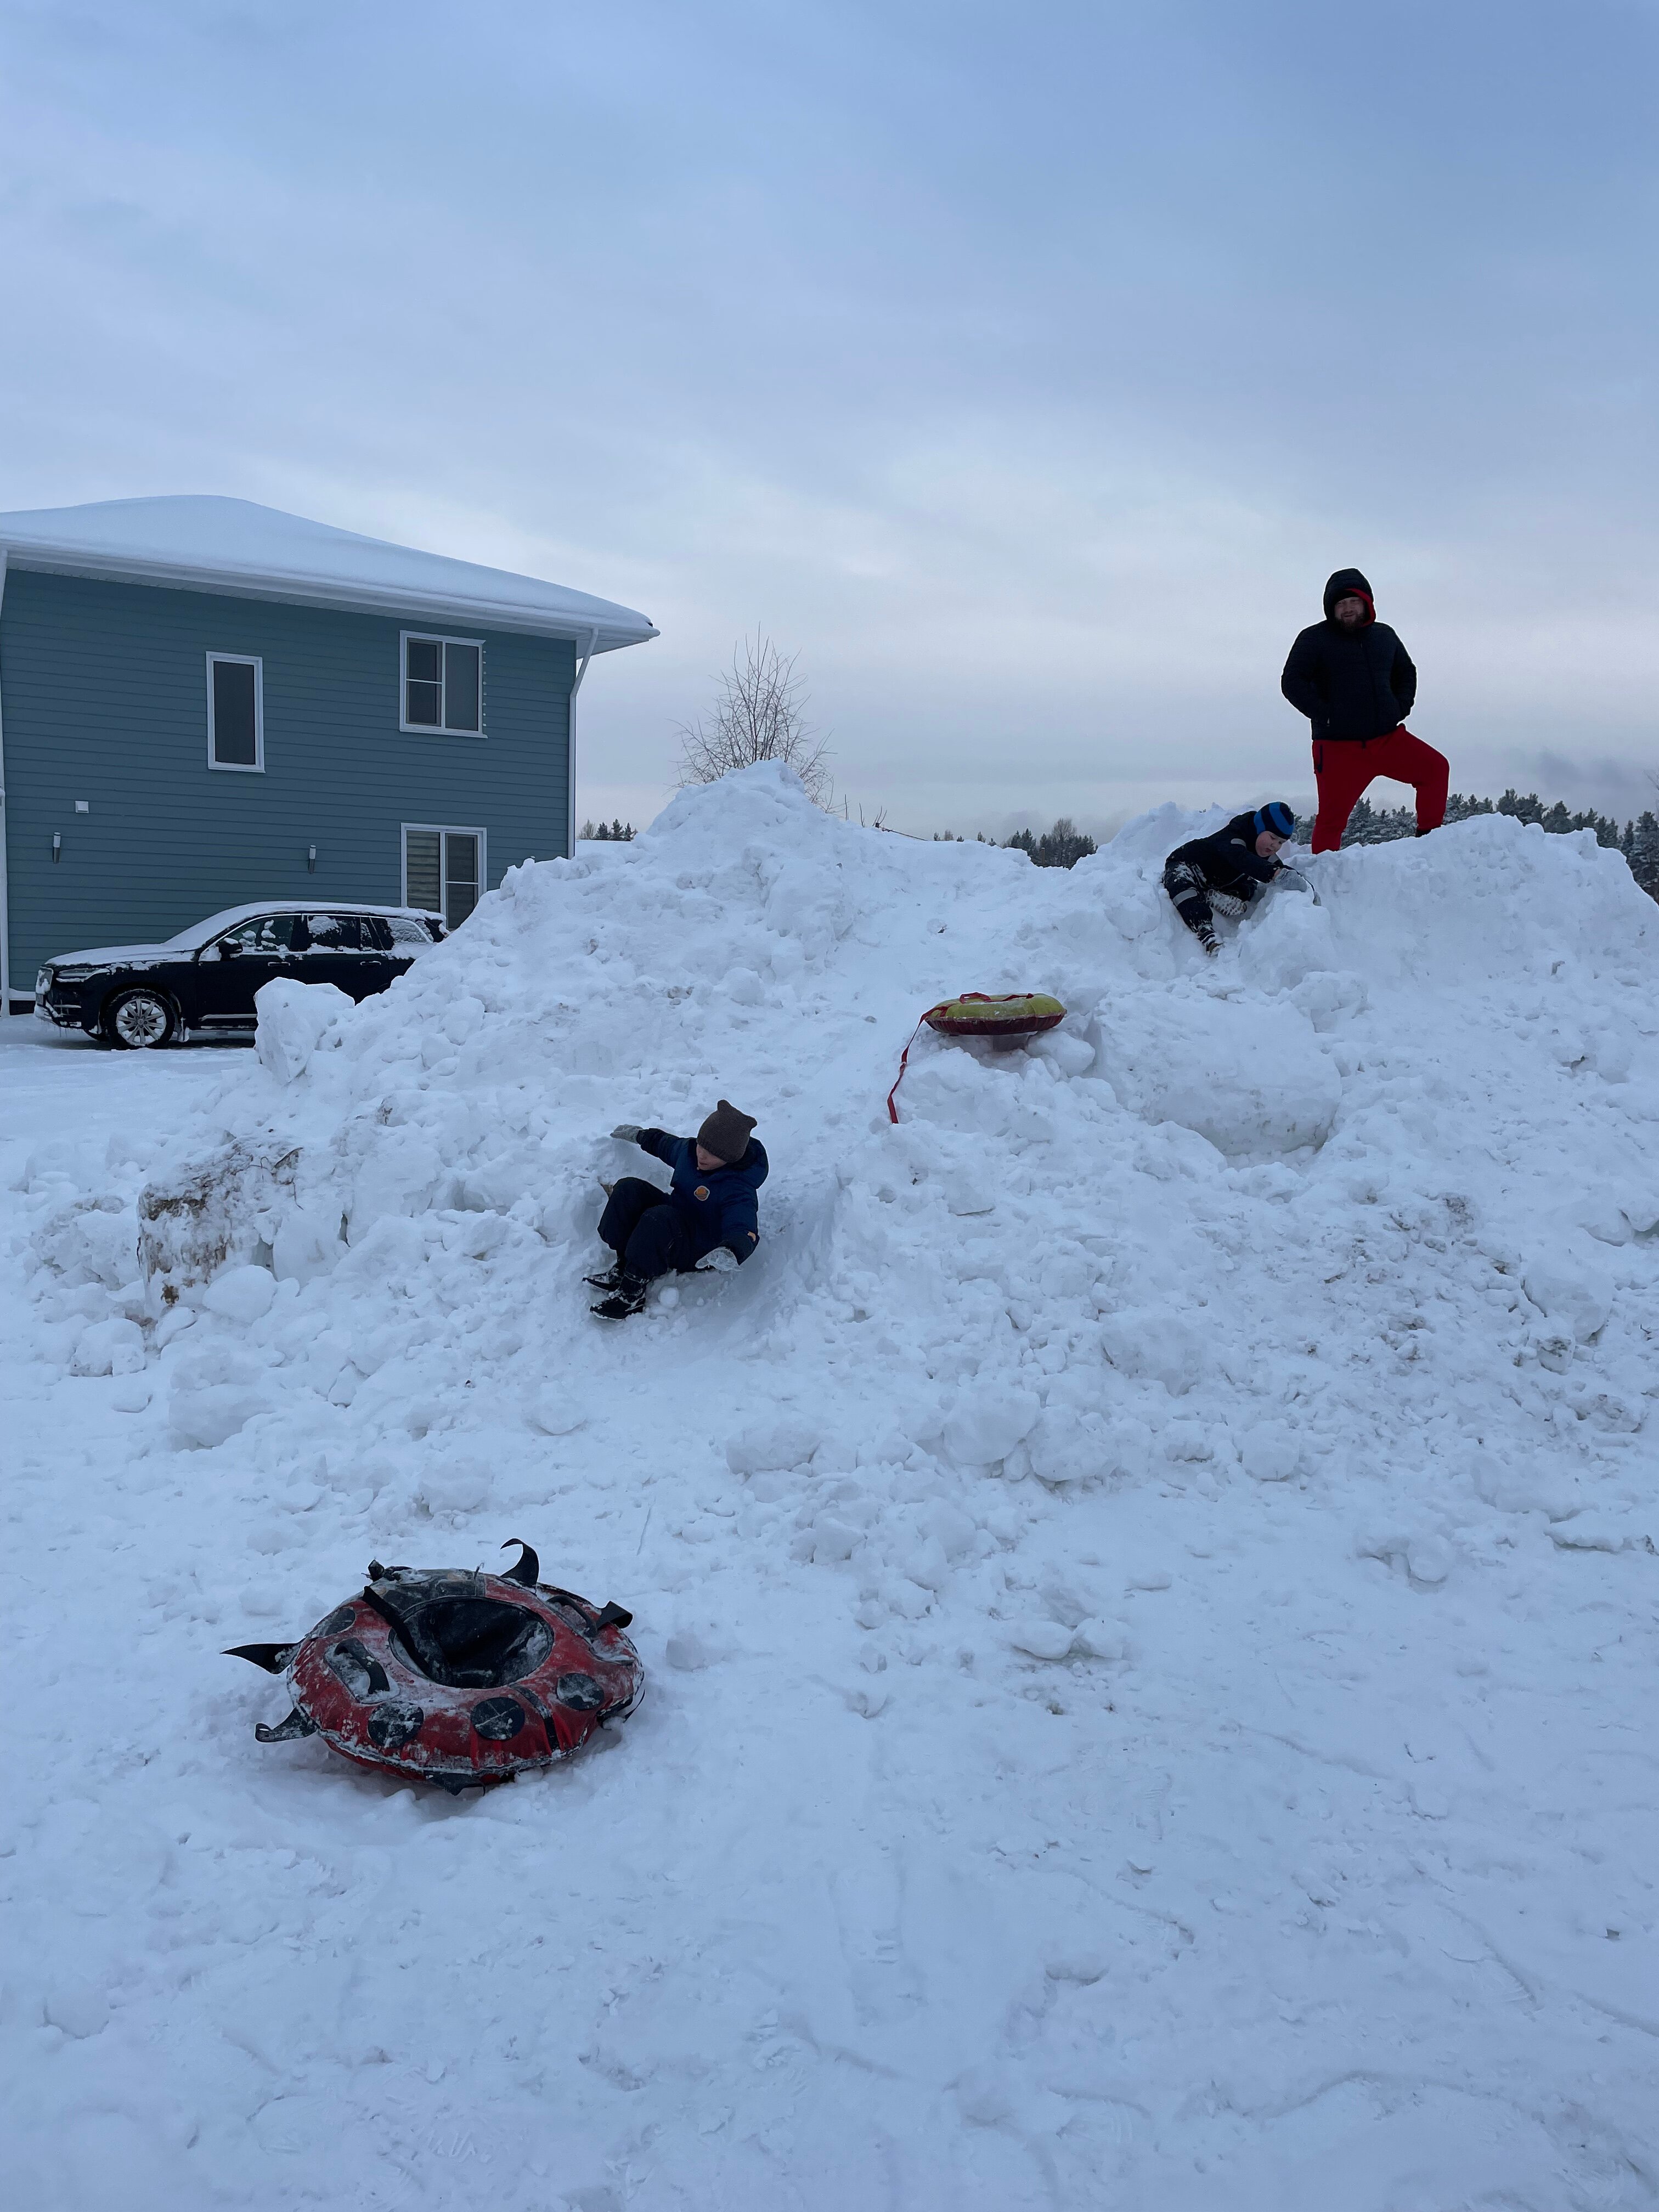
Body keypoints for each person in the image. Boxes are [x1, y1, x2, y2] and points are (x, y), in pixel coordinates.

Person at [1280, 567, 1448, 853]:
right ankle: (1323, 879)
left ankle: (1429, 842)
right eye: (1341, 604)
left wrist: (1400, 707)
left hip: (1387, 739)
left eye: (1354, 602)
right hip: (1338, 749)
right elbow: (1292, 682)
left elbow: (1405, 671)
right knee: (1332, 821)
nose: (1347, 609)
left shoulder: (1384, 636)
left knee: (1435, 769)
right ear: (1330, 608)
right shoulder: (1314, 639)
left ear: (1366, 603)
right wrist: (1326, 714)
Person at [588, 1100, 767, 1319]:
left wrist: (731, 1250)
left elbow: (743, 1226)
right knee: (628, 1189)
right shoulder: (690, 1153)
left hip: (700, 1248)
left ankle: (631, 1293)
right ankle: (624, 1262)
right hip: (676, 1217)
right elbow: (664, 1144)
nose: (702, 1155)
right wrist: (639, 1135)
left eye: (712, 1154)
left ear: (729, 1159)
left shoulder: (738, 1187)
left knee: (659, 1218)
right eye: (702, 1146)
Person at [1163, 803, 1296, 956]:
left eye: (1281, 842)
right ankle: (1205, 931)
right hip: (1187, 864)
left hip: (1219, 880)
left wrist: (1303, 885)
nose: (1275, 846)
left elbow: (1280, 868)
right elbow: (1242, 858)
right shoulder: (1233, 837)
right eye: (1273, 837)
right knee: (1182, 889)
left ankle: (1211, 895)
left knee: (1249, 888)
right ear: (1259, 827)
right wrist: (1274, 873)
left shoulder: (1262, 847)